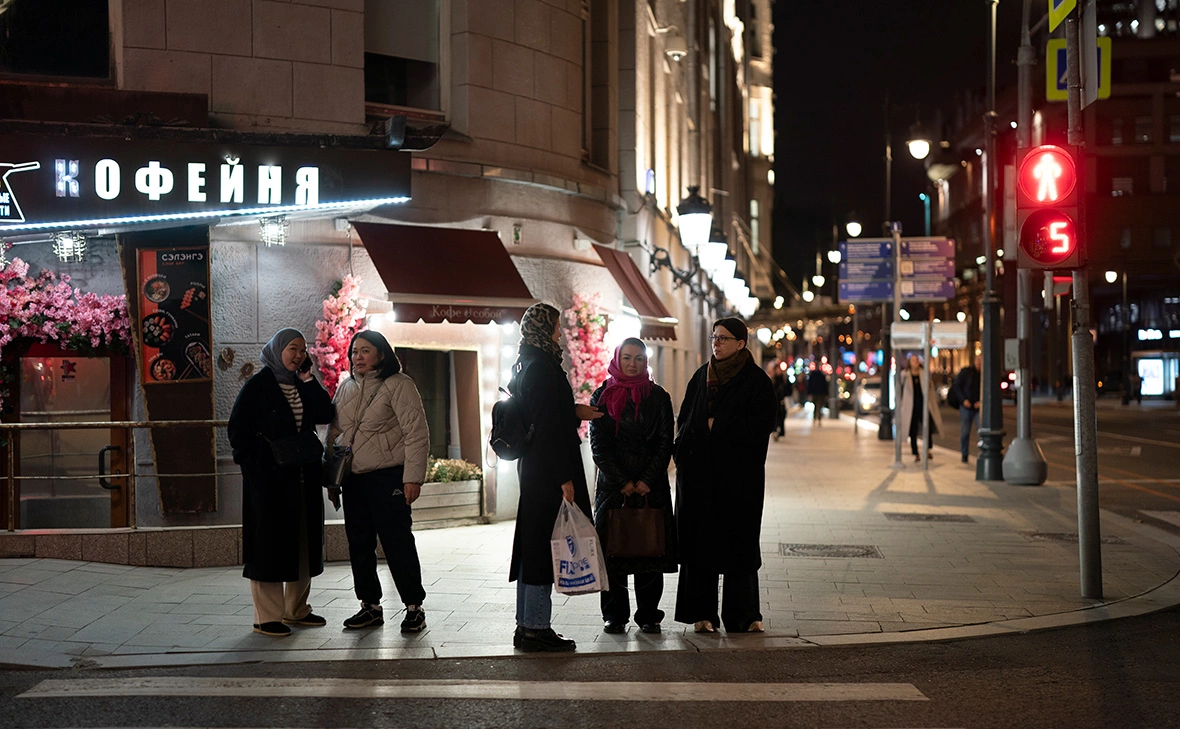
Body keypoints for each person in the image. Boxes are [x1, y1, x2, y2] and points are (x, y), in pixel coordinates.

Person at [509, 302, 603, 652]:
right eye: (556, 326)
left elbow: (542, 413)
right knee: (539, 549)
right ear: (544, 328)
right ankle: (534, 626)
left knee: (532, 546)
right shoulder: (541, 368)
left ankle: (527, 624)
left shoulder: (526, 361)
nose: (559, 332)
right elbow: (547, 428)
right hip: (547, 472)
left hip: (534, 469)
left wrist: (574, 411)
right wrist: (564, 478)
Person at [673, 317, 777, 634]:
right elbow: (685, 422)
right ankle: (701, 613)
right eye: (714, 337)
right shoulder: (700, 378)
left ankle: (743, 615)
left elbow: (762, 426)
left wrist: (719, 427)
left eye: (723, 338)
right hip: (699, 479)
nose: (716, 343)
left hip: (739, 479)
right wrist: (687, 450)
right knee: (700, 544)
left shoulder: (756, 382)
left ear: (741, 344)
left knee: (739, 544)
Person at [228, 328, 334, 637]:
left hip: (303, 476)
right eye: (292, 349)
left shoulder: (301, 384)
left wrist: (309, 379)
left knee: (303, 542)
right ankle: (267, 616)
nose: (299, 355)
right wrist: (254, 469)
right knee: (268, 544)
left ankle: (296, 608)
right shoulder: (257, 386)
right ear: (277, 350)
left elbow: (325, 413)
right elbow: (239, 432)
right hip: (270, 480)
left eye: (302, 350)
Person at [328, 331, 431, 633]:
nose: (357, 357)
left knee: (397, 541)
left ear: (382, 355)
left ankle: (414, 607)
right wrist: (332, 479)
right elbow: (334, 436)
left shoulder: (400, 385)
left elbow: (417, 433)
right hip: (353, 479)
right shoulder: (345, 388)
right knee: (359, 543)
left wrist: (413, 477)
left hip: (388, 475)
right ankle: (369, 606)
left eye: (365, 351)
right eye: (354, 351)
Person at [588, 338, 676, 635]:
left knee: (651, 550)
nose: (632, 363)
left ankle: (649, 614)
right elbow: (598, 445)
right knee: (613, 552)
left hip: (652, 488)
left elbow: (666, 442)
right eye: (627, 357)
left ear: (645, 361)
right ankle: (614, 614)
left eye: (638, 358)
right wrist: (622, 481)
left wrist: (646, 481)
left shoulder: (659, 397)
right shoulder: (601, 395)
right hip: (613, 489)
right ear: (617, 359)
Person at [897, 354, 943, 463]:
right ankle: (916, 453)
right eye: (912, 360)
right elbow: (900, 390)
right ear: (909, 362)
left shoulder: (924, 374)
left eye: (916, 360)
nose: (915, 362)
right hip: (911, 407)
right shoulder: (905, 375)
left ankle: (927, 449)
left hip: (923, 405)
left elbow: (930, 389)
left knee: (927, 428)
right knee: (913, 430)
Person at [952, 354, 982, 464]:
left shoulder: (985, 374)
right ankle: (964, 454)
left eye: (981, 360)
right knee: (965, 431)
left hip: (979, 407)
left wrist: (981, 402)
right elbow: (957, 386)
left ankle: (982, 454)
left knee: (981, 431)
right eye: (978, 360)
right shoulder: (966, 372)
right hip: (966, 406)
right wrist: (963, 400)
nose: (979, 362)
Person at [768, 364, 789, 440]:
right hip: (774, 401)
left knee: (782, 416)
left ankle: (780, 432)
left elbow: (788, 390)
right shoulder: (772, 379)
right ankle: (775, 431)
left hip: (782, 400)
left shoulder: (784, 379)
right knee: (775, 417)